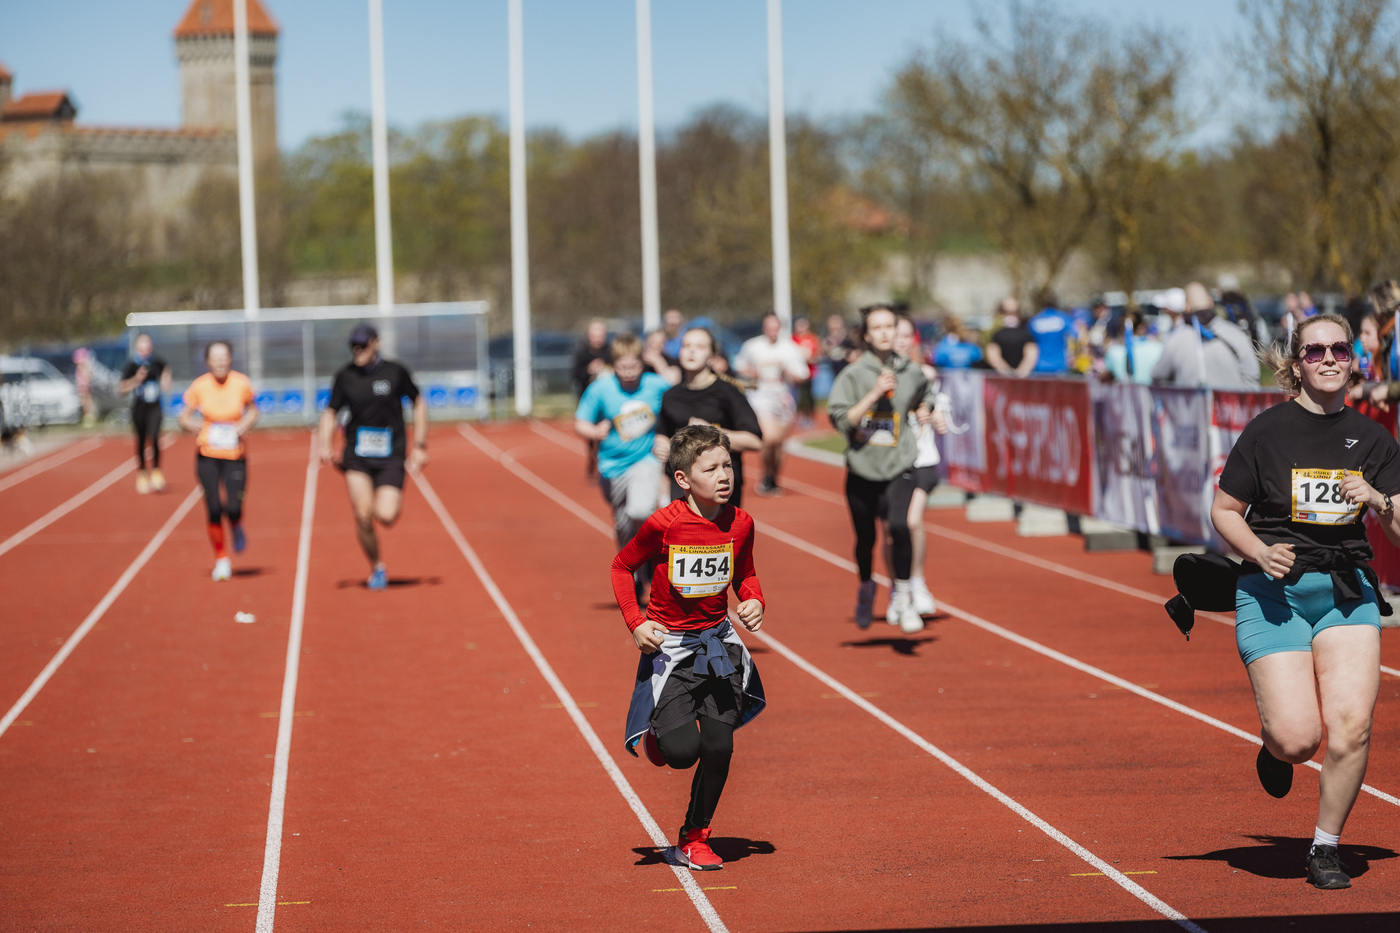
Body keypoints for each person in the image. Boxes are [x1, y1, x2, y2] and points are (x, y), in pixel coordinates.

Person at [1210, 313, 1399, 890]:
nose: (1329, 359)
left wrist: (1378, 499)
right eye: (1315, 351)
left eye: (1339, 349)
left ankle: (1325, 847)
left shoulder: (1374, 439)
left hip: (1346, 592)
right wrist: (1259, 552)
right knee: (1298, 740)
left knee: (1352, 728)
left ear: (1353, 359)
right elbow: (1224, 511)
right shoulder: (1266, 432)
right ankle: (1275, 747)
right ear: (1298, 364)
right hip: (1274, 592)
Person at [615, 424, 766, 872]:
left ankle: (695, 836)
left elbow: (746, 574)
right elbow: (622, 567)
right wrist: (636, 622)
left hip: (718, 645)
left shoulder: (741, 523)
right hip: (672, 650)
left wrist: (754, 599)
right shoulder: (663, 524)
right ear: (683, 479)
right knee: (683, 754)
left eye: (728, 466)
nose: (724, 476)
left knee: (719, 746)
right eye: (712, 468)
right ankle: (660, 736)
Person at [827, 304, 943, 633]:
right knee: (866, 538)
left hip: (899, 463)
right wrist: (875, 393)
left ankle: (903, 597)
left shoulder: (911, 370)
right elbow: (841, 421)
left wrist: (925, 408)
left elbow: (927, 394)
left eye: (889, 326)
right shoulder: (853, 374)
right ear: (866, 335)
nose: (884, 333)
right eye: (876, 328)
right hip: (863, 467)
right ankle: (867, 587)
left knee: (900, 526)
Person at [318, 323, 428, 591]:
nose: (357, 350)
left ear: (376, 344)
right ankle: (377, 567)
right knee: (363, 515)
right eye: (353, 346)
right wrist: (324, 444)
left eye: (362, 345)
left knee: (386, 516)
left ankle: (382, 501)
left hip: (391, 455)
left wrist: (420, 445)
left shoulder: (395, 372)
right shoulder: (345, 376)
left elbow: (418, 403)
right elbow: (331, 412)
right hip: (357, 455)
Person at [575, 334, 671, 603]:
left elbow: (680, 393)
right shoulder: (601, 388)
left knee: (640, 511)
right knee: (623, 527)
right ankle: (635, 573)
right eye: (622, 367)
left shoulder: (655, 384)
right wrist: (595, 431)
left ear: (643, 363)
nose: (629, 373)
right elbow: (580, 423)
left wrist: (660, 363)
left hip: (645, 460)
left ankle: (649, 569)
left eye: (635, 367)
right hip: (611, 466)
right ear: (613, 365)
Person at [656, 327, 764, 510]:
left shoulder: (727, 393)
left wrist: (711, 432)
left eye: (699, 346)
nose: (691, 351)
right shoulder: (670, 396)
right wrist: (660, 445)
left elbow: (755, 441)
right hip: (683, 484)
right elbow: (662, 433)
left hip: (721, 484)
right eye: (686, 346)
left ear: (712, 356)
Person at [179, 340, 259, 582]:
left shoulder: (241, 383)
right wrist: (189, 423)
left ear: (230, 359)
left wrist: (244, 424)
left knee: (233, 507)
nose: (220, 362)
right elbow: (183, 416)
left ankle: (236, 524)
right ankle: (221, 559)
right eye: (215, 358)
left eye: (224, 357)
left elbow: (254, 410)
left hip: (235, 455)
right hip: (207, 455)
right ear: (207, 362)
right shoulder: (200, 386)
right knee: (214, 508)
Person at [891, 316, 947, 616]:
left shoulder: (925, 373)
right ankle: (897, 588)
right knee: (892, 528)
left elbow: (937, 405)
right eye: (895, 335)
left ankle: (918, 582)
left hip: (922, 459)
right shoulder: (879, 376)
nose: (901, 341)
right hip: (889, 463)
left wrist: (937, 416)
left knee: (912, 522)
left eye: (906, 336)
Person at [734, 312, 810, 496]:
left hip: (784, 399)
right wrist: (751, 372)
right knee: (769, 439)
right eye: (769, 326)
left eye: (775, 326)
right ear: (764, 327)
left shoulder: (790, 348)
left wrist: (787, 372)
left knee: (779, 444)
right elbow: (739, 365)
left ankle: (772, 476)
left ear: (780, 328)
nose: (772, 330)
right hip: (760, 398)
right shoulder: (752, 346)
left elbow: (802, 376)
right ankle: (767, 474)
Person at [1151, 282, 1259, 388]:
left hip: (1189, 400)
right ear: (1211, 302)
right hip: (1233, 400)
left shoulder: (1175, 340)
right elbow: (1252, 378)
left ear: (1186, 306)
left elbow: (1157, 379)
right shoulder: (1236, 334)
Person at [119, 333, 174, 494]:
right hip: (139, 407)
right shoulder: (132, 365)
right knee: (141, 440)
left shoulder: (156, 362)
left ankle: (156, 471)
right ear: (137, 348)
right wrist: (136, 379)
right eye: (142, 348)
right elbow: (122, 388)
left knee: (155, 436)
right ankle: (142, 473)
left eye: (147, 347)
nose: (145, 351)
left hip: (154, 406)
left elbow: (166, 370)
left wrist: (166, 380)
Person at [572, 319, 613, 481]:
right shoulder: (582, 353)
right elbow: (575, 375)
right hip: (588, 399)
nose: (597, 339)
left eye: (600, 335)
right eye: (594, 335)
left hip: (608, 399)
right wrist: (589, 370)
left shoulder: (610, 352)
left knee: (607, 429)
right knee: (591, 433)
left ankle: (604, 459)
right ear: (588, 336)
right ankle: (592, 458)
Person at [984, 298, 1037, 377]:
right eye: (1006, 312)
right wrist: (1008, 373)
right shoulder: (994, 332)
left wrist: (1020, 373)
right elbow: (992, 354)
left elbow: (1031, 353)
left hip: (1020, 378)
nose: (1010, 315)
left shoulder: (1026, 332)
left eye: (1014, 312)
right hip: (1003, 378)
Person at [1027, 293, 1074, 375]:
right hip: (1060, 364)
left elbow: (1029, 342)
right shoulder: (1063, 318)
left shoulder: (1034, 321)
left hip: (1039, 364)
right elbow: (1075, 336)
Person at [791, 316, 821, 426]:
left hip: (809, 372)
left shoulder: (812, 338)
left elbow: (817, 355)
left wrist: (810, 358)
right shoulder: (792, 339)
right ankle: (798, 416)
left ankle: (810, 417)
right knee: (795, 396)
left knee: (808, 395)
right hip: (795, 373)